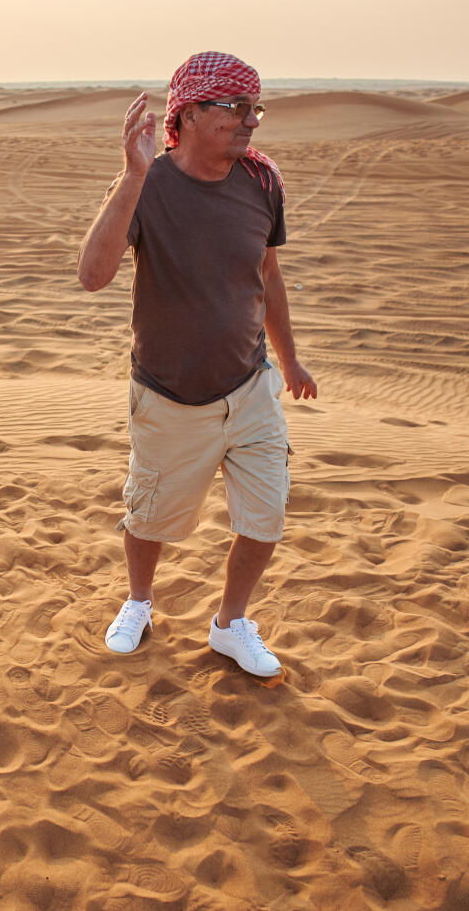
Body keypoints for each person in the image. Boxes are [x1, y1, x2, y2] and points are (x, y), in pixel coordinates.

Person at [77, 52, 318, 677]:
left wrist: (289, 361)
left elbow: (267, 274)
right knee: (151, 516)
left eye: (254, 108)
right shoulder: (148, 183)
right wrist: (131, 177)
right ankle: (138, 601)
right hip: (168, 394)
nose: (250, 122)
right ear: (188, 112)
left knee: (266, 516)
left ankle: (231, 624)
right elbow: (92, 275)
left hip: (250, 386)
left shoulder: (263, 182)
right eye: (235, 107)